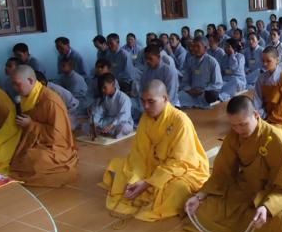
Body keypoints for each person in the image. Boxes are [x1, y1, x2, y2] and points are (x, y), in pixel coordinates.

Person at [184, 95, 282, 232]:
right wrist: (200, 196)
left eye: (243, 124)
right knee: (202, 208)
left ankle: (257, 223)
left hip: (274, 193)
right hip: (245, 190)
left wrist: (267, 207)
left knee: (280, 222)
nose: (238, 130)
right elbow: (222, 173)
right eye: (234, 125)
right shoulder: (234, 135)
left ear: (256, 115)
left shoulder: (275, 138)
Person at [102, 80, 210, 221]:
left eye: (151, 102)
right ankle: (141, 187)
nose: (145, 106)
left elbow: (181, 162)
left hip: (179, 170)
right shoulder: (145, 118)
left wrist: (148, 182)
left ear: (165, 98)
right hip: (152, 165)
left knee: (177, 188)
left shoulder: (180, 121)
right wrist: (136, 178)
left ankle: (153, 191)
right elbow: (139, 153)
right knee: (117, 164)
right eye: (143, 101)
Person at [8, 65, 78, 187]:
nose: (14, 88)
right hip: (33, 139)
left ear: (30, 80)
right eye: (13, 84)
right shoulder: (25, 98)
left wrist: (31, 124)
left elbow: (58, 136)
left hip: (55, 146)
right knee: (10, 149)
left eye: (17, 84)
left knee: (36, 158)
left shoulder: (50, 101)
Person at [253, 46, 282, 127]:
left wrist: (271, 119)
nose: (264, 64)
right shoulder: (261, 78)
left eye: (268, 61)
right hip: (264, 115)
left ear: (277, 60)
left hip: (280, 119)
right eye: (263, 61)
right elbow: (257, 100)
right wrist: (260, 114)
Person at [179, 36, 223, 109]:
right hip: (192, 93)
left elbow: (217, 83)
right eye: (194, 46)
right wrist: (189, 89)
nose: (195, 49)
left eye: (198, 46)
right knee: (178, 96)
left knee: (212, 95)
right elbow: (185, 81)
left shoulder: (212, 62)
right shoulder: (190, 61)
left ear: (205, 48)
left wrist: (203, 91)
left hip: (204, 93)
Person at [89, 73, 133, 138]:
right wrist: (94, 123)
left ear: (112, 84)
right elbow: (97, 112)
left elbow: (124, 116)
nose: (102, 90)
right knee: (87, 126)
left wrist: (112, 125)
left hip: (120, 123)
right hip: (107, 121)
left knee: (124, 127)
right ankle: (105, 131)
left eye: (104, 87)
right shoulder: (103, 97)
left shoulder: (124, 98)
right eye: (101, 88)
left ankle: (111, 132)